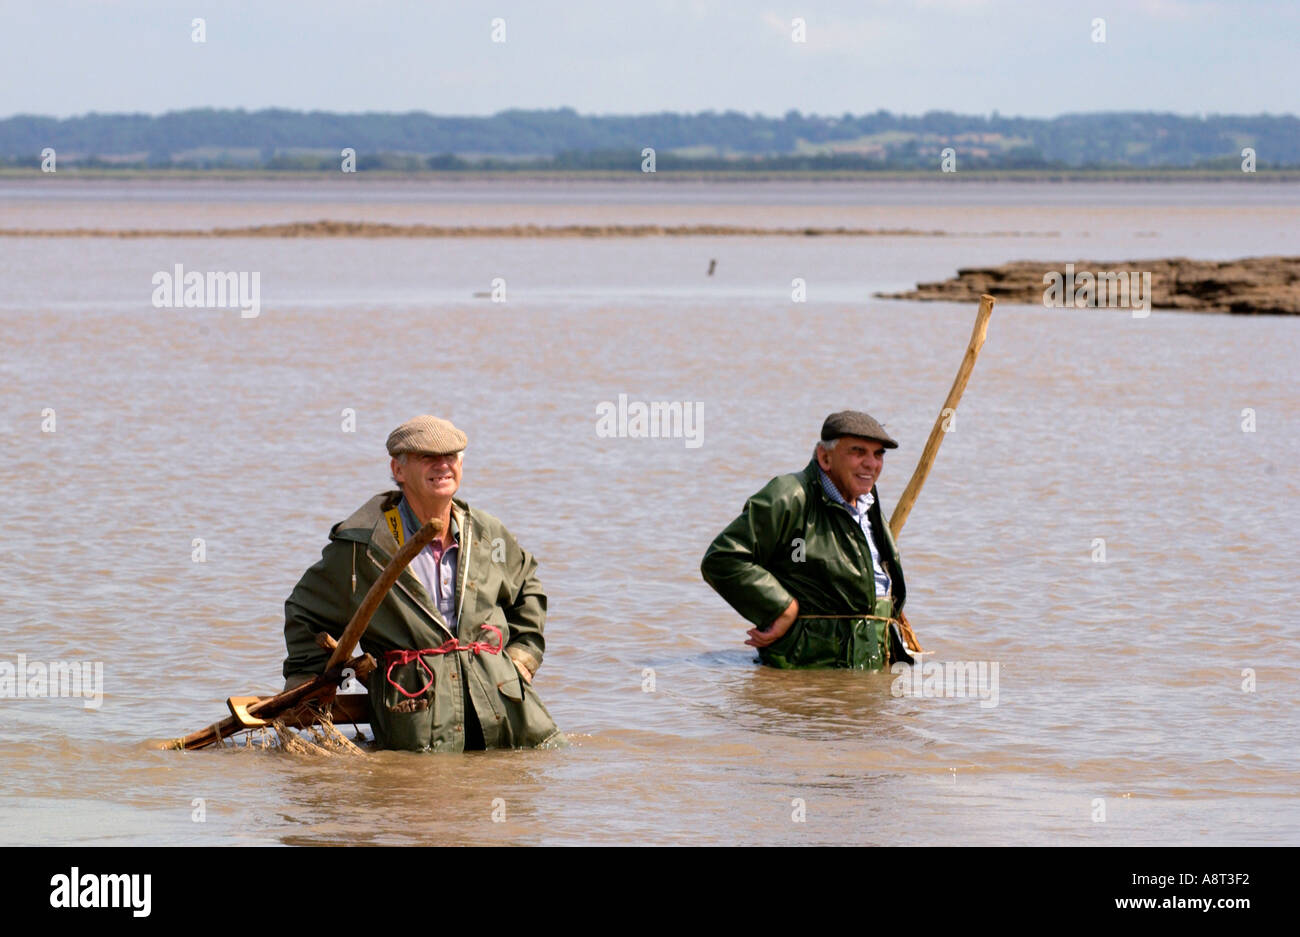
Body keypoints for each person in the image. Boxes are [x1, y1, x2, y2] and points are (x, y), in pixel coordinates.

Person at [281, 415, 564, 751]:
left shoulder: (487, 534)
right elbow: (305, 612)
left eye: (452, 456)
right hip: (417, 723)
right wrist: (312, 685)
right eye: (427, 457)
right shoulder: (362, 547)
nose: (443, 465)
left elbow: (527, 588)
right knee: (414, 796)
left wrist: (521, 659)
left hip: (506, 717)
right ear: (398, 470)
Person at [700, 410, 914, 670]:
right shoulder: (790, 496)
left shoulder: (868, 504)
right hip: (807, 667)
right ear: (825, 457)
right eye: (858, 452)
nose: (872, 464)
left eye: (878, 454)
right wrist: (781, 608)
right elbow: (723, 558)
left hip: (868, 668)